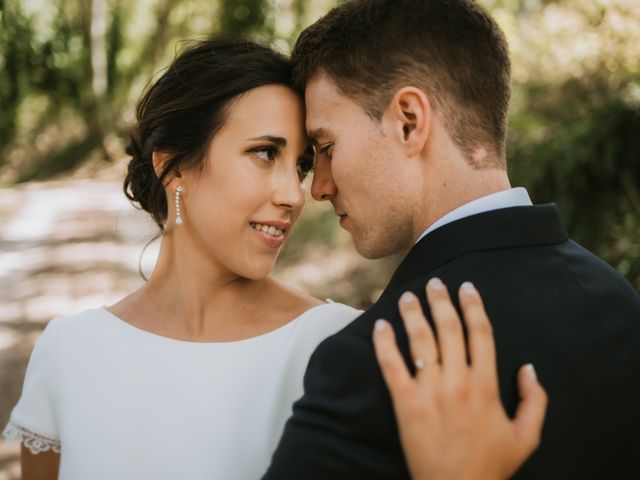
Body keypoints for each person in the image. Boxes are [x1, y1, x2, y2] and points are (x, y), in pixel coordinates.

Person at [2, 38, 545, 480]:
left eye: (303, 164)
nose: (295, 193)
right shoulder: (70, 353)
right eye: (265, 153)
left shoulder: (340, 345)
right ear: (174, 169)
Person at [262, 0, 640, 479]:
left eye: (327, 147)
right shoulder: (617, 303)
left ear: (409, 121)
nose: (319, 186)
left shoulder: (377, 358)